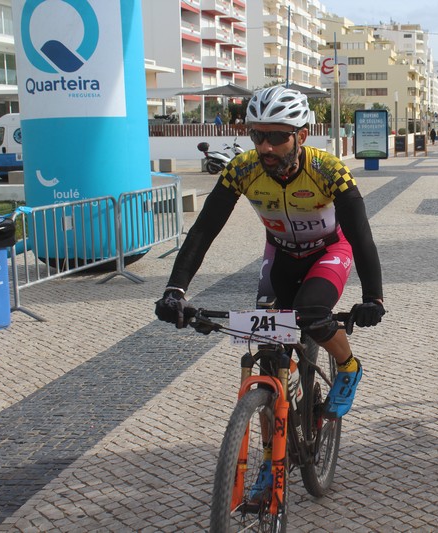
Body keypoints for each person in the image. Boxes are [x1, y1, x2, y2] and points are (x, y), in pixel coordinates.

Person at [155, 86, 385, 488]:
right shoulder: (243, 169)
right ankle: (269, 460)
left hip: (328, 251)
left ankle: (349, 366)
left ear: (302, 135)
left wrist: (373, 298)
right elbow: (204, 230)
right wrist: (176, 289)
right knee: (267, 358)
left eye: (277, 136)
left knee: (312, 314)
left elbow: (361, 237)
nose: (266, 146)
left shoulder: (328, 170)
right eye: (258, 135)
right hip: (280, 256)